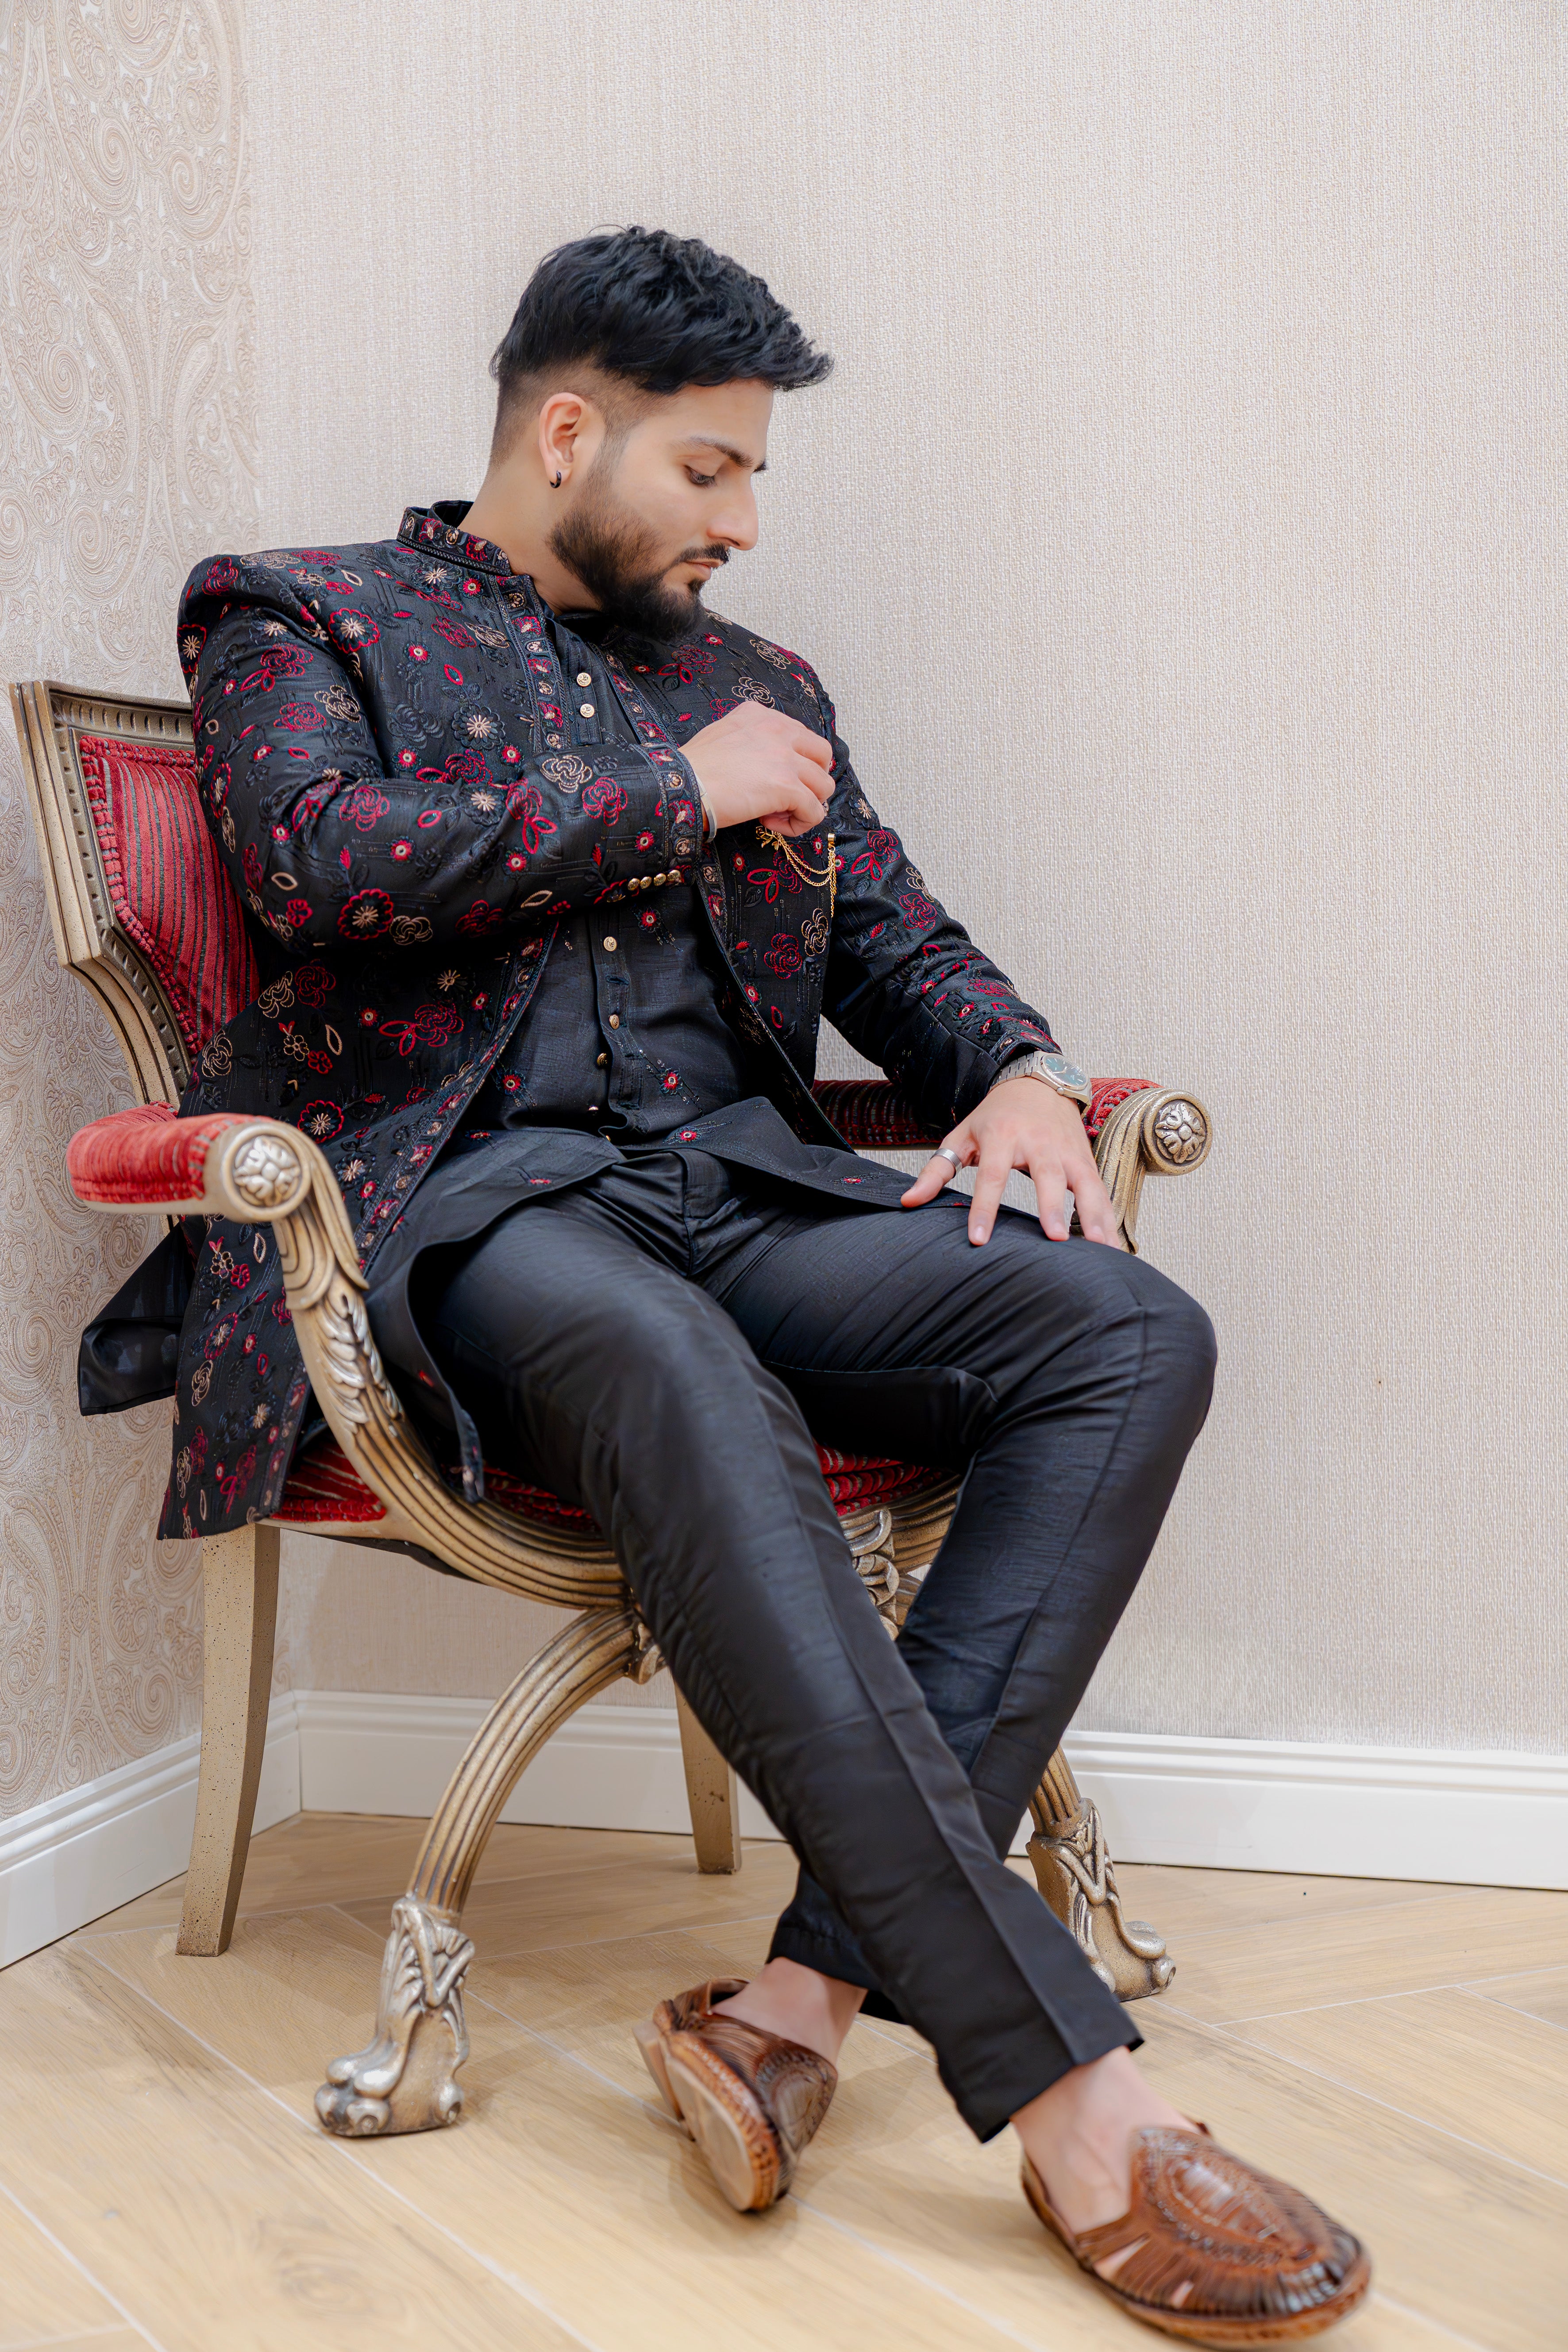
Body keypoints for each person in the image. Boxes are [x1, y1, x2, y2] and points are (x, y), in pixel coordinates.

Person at [158, 229, 1366, 2339]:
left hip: (737, 1192)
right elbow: (310, 861)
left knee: (1126, 1331)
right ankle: (1077, 2094)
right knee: (672, 1358)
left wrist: (1011, 1073)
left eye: (749, 484)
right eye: (708, 471)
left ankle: (798, 1996)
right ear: (566, 432)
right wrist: (662, 798)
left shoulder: (766, 688)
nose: (736, 521)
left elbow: (904, 943)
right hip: (472, 1214)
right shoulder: (302, 613)